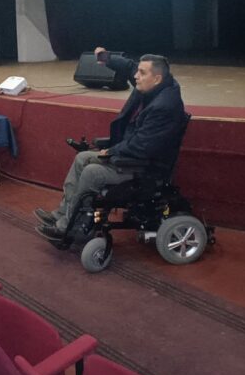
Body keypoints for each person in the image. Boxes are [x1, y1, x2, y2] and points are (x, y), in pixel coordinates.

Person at [35, 48, 187, 243]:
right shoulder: (156, 84)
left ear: (156, 78)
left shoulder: (164, 107)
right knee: (82, 158)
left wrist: (112, 151)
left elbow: (142, 147)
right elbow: (130, 66)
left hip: (145, 167)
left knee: (92, 172)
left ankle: (70, 227)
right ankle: (62, 214)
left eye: (141, 73)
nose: (136, 76)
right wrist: (108, 59)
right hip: (131, 155)